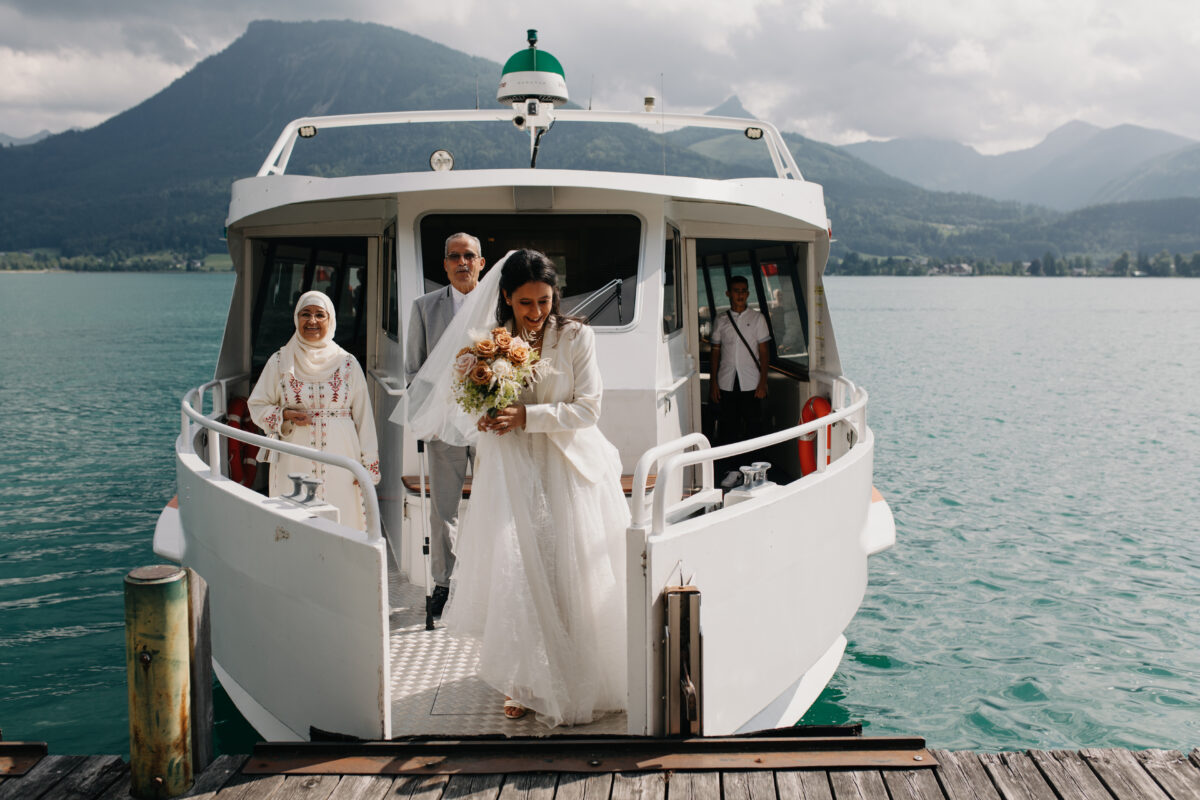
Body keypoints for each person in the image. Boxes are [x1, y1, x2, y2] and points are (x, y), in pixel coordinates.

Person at [404, 249, 630, 727]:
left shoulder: (576, 336)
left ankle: (582, 671)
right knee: (522, 573)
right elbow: (466, 404)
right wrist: (486, 416)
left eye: (545, 301)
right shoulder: (488, 343)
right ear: (506, 297)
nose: (536, 312)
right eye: (525, 302)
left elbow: (589, 409)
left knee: (571, 572)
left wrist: (528, 416)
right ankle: (525, 682)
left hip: (569, 470)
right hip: (514, 472)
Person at [248, 290, 381, 530]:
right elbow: (256, 405)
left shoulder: (347, 363)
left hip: (341, 457)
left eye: (320, 315)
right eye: (305, 314)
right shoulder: (279, 361)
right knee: (296, 519)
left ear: (330, 320)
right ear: (296, 319)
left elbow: (364, 418)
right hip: (293, 456)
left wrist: (367, 467)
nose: (312, 321)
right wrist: (284, 416)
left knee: (344, 517)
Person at [405, 232, 486, 616]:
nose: (462, 262)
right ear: (445, 264)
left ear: (481, 263)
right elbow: (414, 371)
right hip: (444, 426)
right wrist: (427, 420)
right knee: (443, 509)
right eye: (454, 256)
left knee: (495, 502)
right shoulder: (424, 308)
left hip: (490, 426)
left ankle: (490, 583)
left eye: (468, 255)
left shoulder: (497, 305)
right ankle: (443, 583)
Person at [709, 276, 771, 484]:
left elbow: (764, 352)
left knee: (754, 427)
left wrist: (763, 382)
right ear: (728, 293)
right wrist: (713, 383)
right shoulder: (721, 320)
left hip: (751, 382)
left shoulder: (757, 319)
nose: (740, 294)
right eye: (736, 290)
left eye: (744, 290)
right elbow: (715, 352)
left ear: (748, 293)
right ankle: (732, 470)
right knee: (729, 427)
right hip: (727, 381)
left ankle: (755, 469)